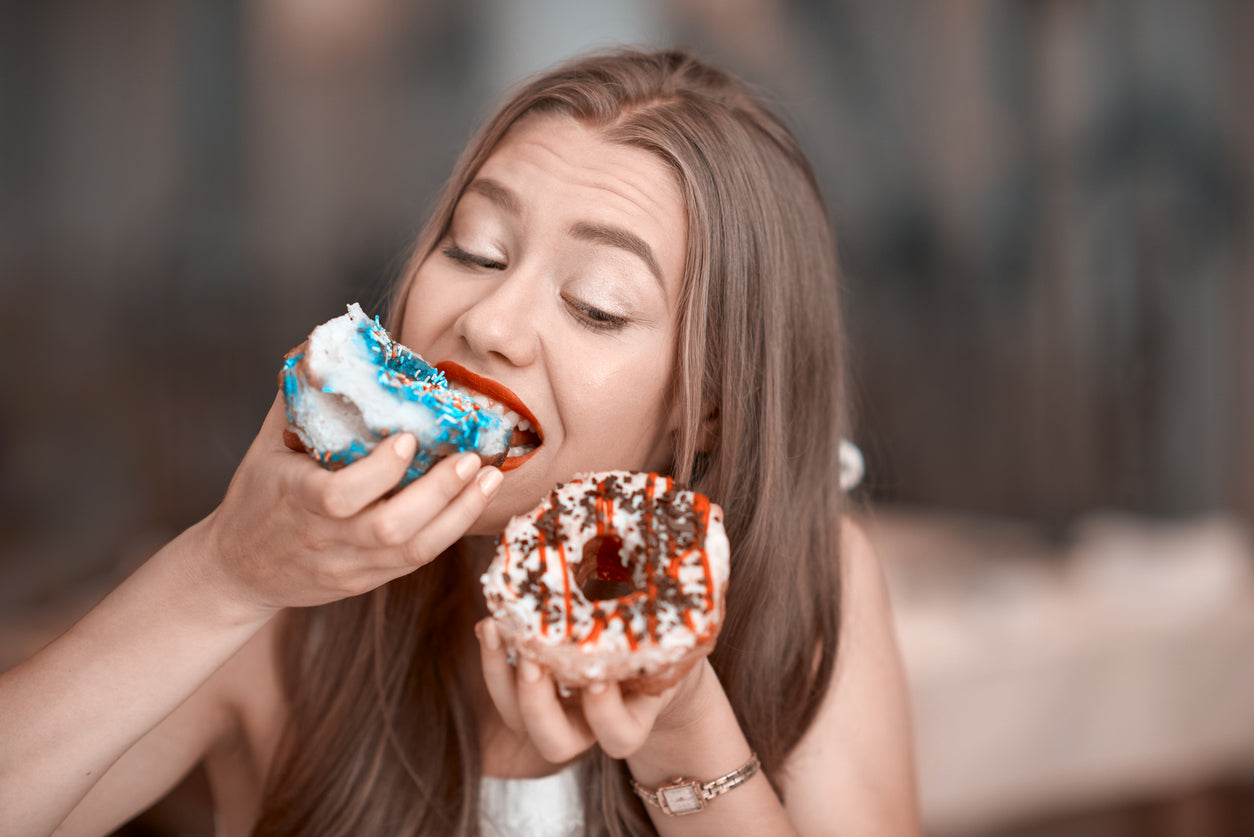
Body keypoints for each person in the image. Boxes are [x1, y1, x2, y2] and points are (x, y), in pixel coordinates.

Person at [0, 47, 918, 836]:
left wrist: (681, 729)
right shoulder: (287, 596)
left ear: (706, 407)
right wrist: (223, 571)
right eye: (475, 250)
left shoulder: (810, 573)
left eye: (596, 304)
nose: (489, 322)